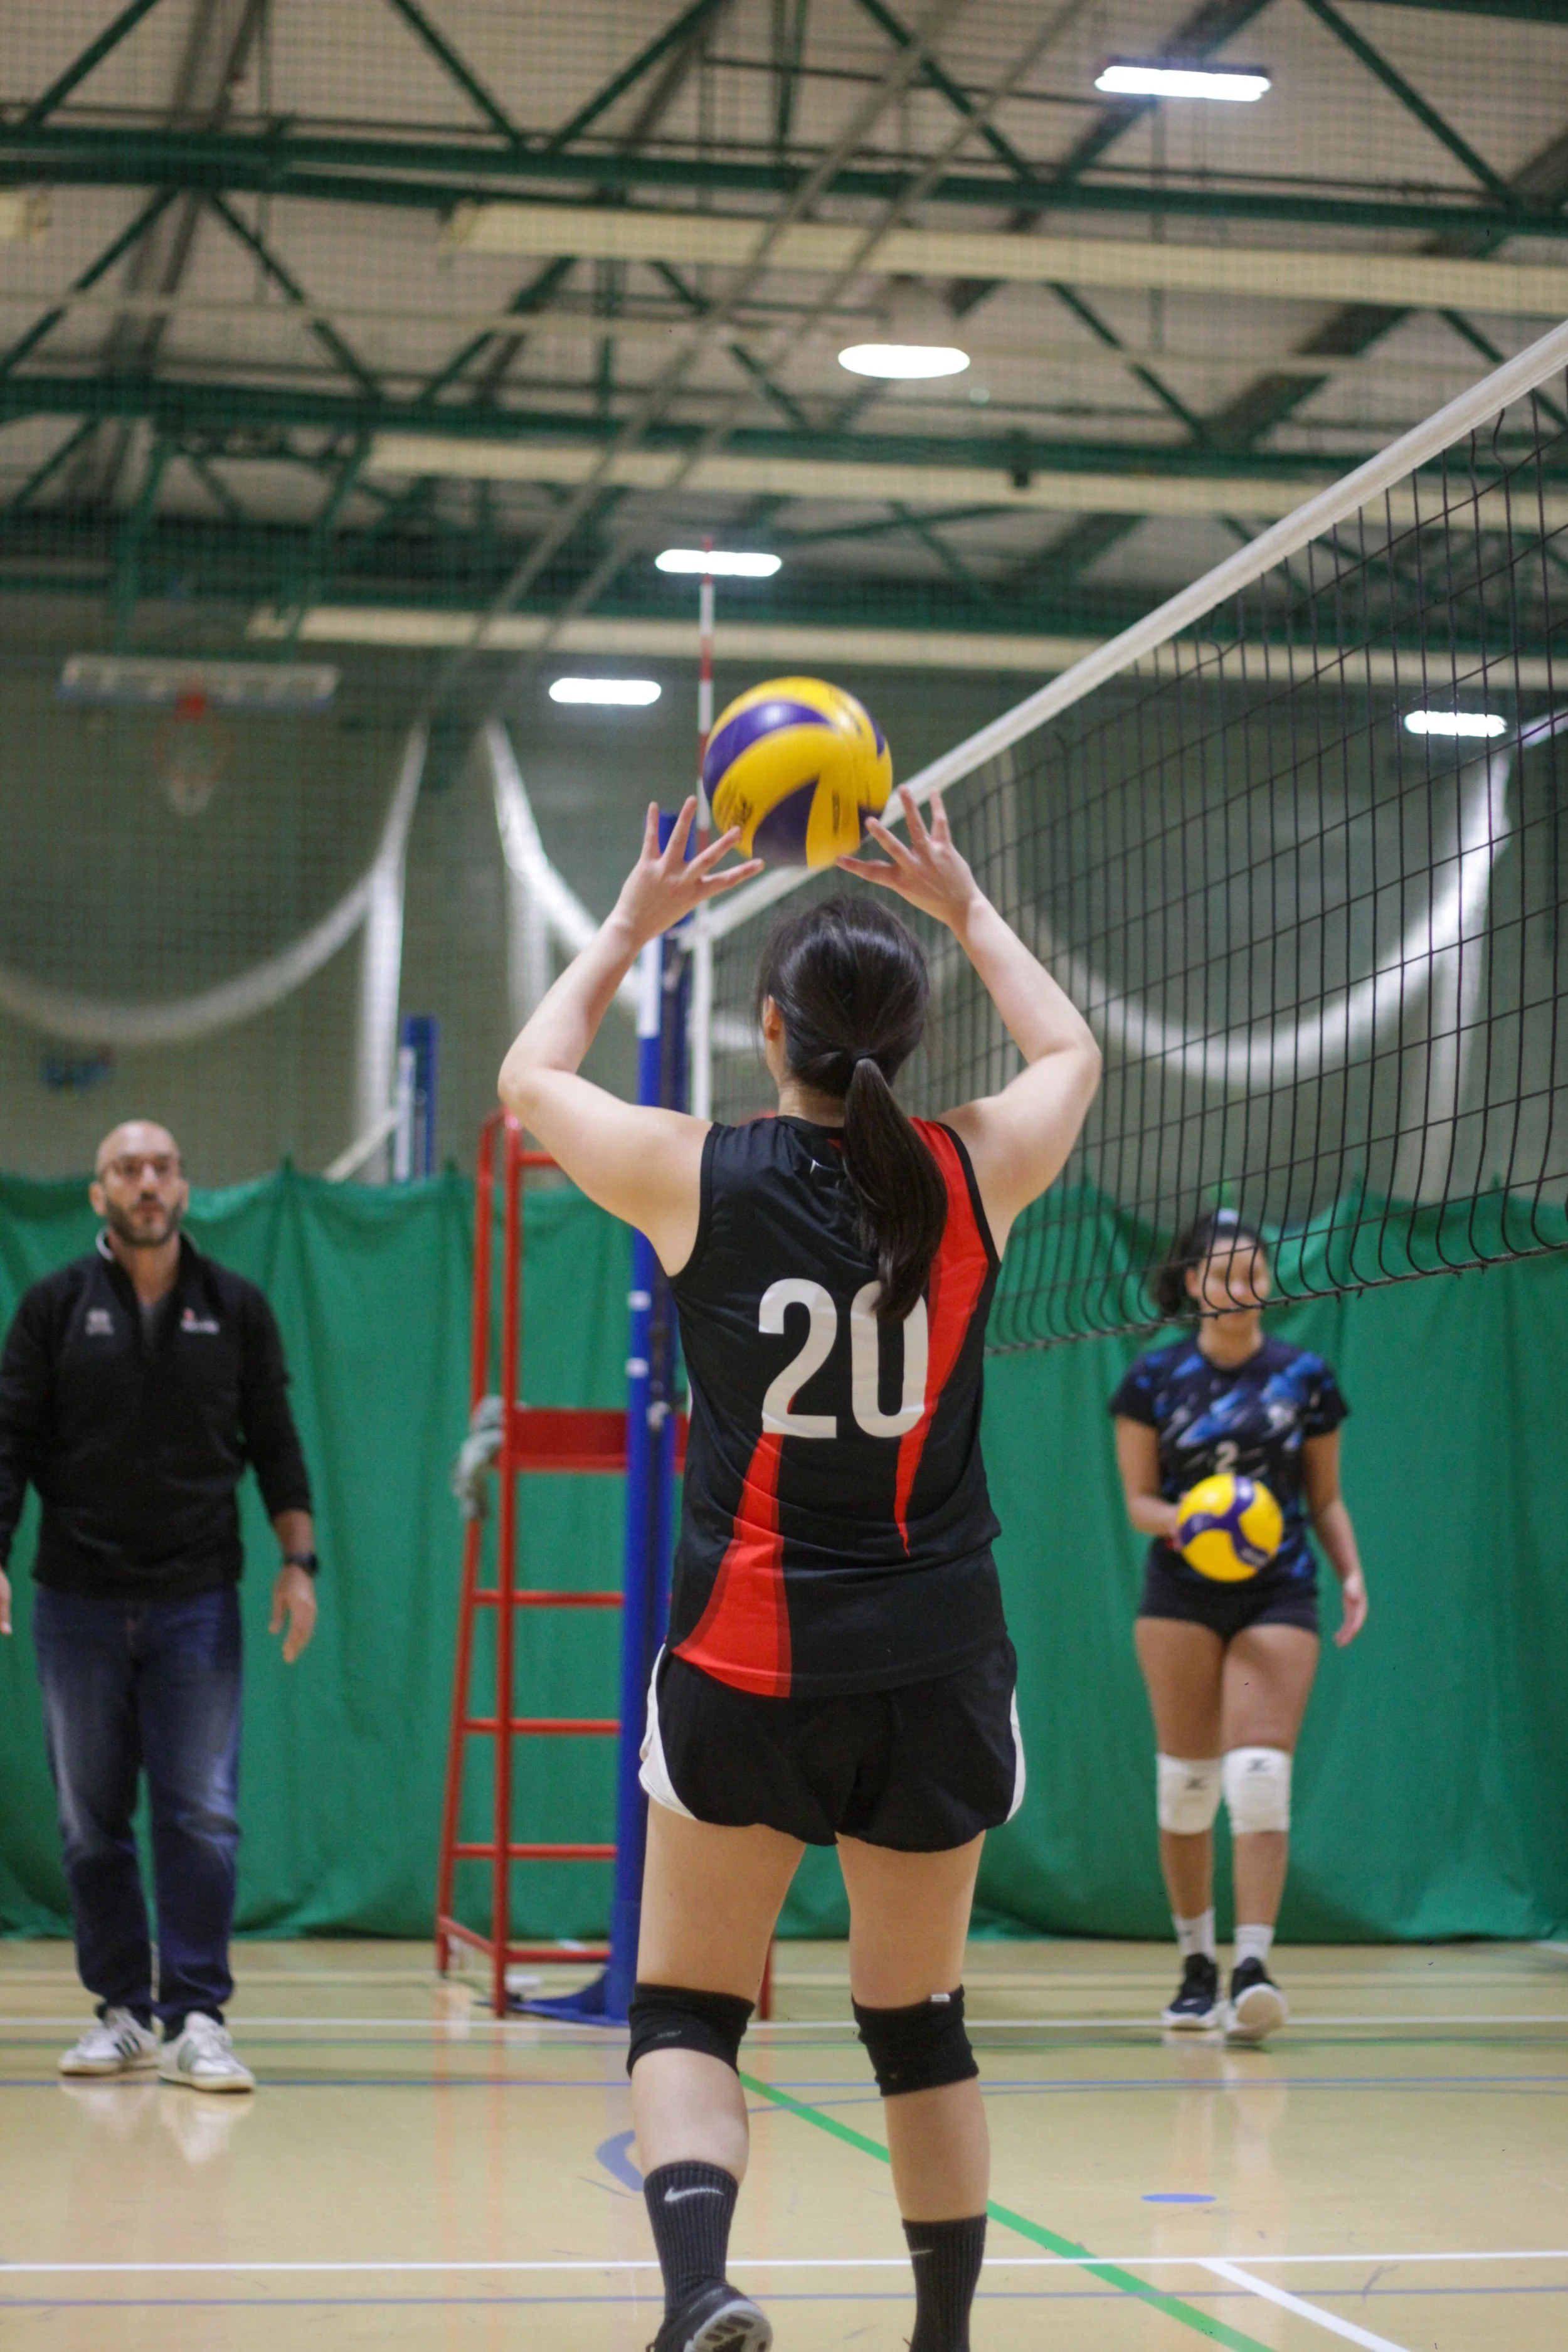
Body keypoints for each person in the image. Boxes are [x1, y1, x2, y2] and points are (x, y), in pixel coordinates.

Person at [499, 789, 1100, 2352]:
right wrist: (967, 908)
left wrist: (632, 922)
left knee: (689, 2011)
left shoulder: (702, 1174)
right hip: (934, 1663)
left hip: (748, 1662)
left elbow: (525, 1078)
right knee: (916, 2023)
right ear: (903, 1040)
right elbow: (1073, 1057)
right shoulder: (972, 1173)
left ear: (768, 1032)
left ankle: (701, 2292)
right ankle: (942, 2341)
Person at [0, 1121, 319, 2094]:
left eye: (163, 1167)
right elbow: (9, 1440)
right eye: (127, 1170)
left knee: (203, 1813)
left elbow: (275, 1437)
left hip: (196, 1601)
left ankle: (197, 2016)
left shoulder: (236, 1307)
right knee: (92, 1819)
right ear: (98, 1194)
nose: (148, 1182)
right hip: (78, 1602)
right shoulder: (53, 1309)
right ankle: (122, 2013)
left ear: (185, 1186)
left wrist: (298, 1561)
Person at [1110, 1207, 1369, 2043]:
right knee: (1187, 1785)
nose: (1244, 1286)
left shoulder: (1305, 1375)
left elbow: (1323, 1496)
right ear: (1192, 1282)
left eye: (1255, 1270)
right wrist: (1189, 1516)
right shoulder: (1153, 1379)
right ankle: (1195, 1968)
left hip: (1280, 1588)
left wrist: (1352, 1571)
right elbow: (1140, 1502)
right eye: (1225, 1271)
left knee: (1258, 1772)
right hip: (1183, 1590)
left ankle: (1253, 1966)